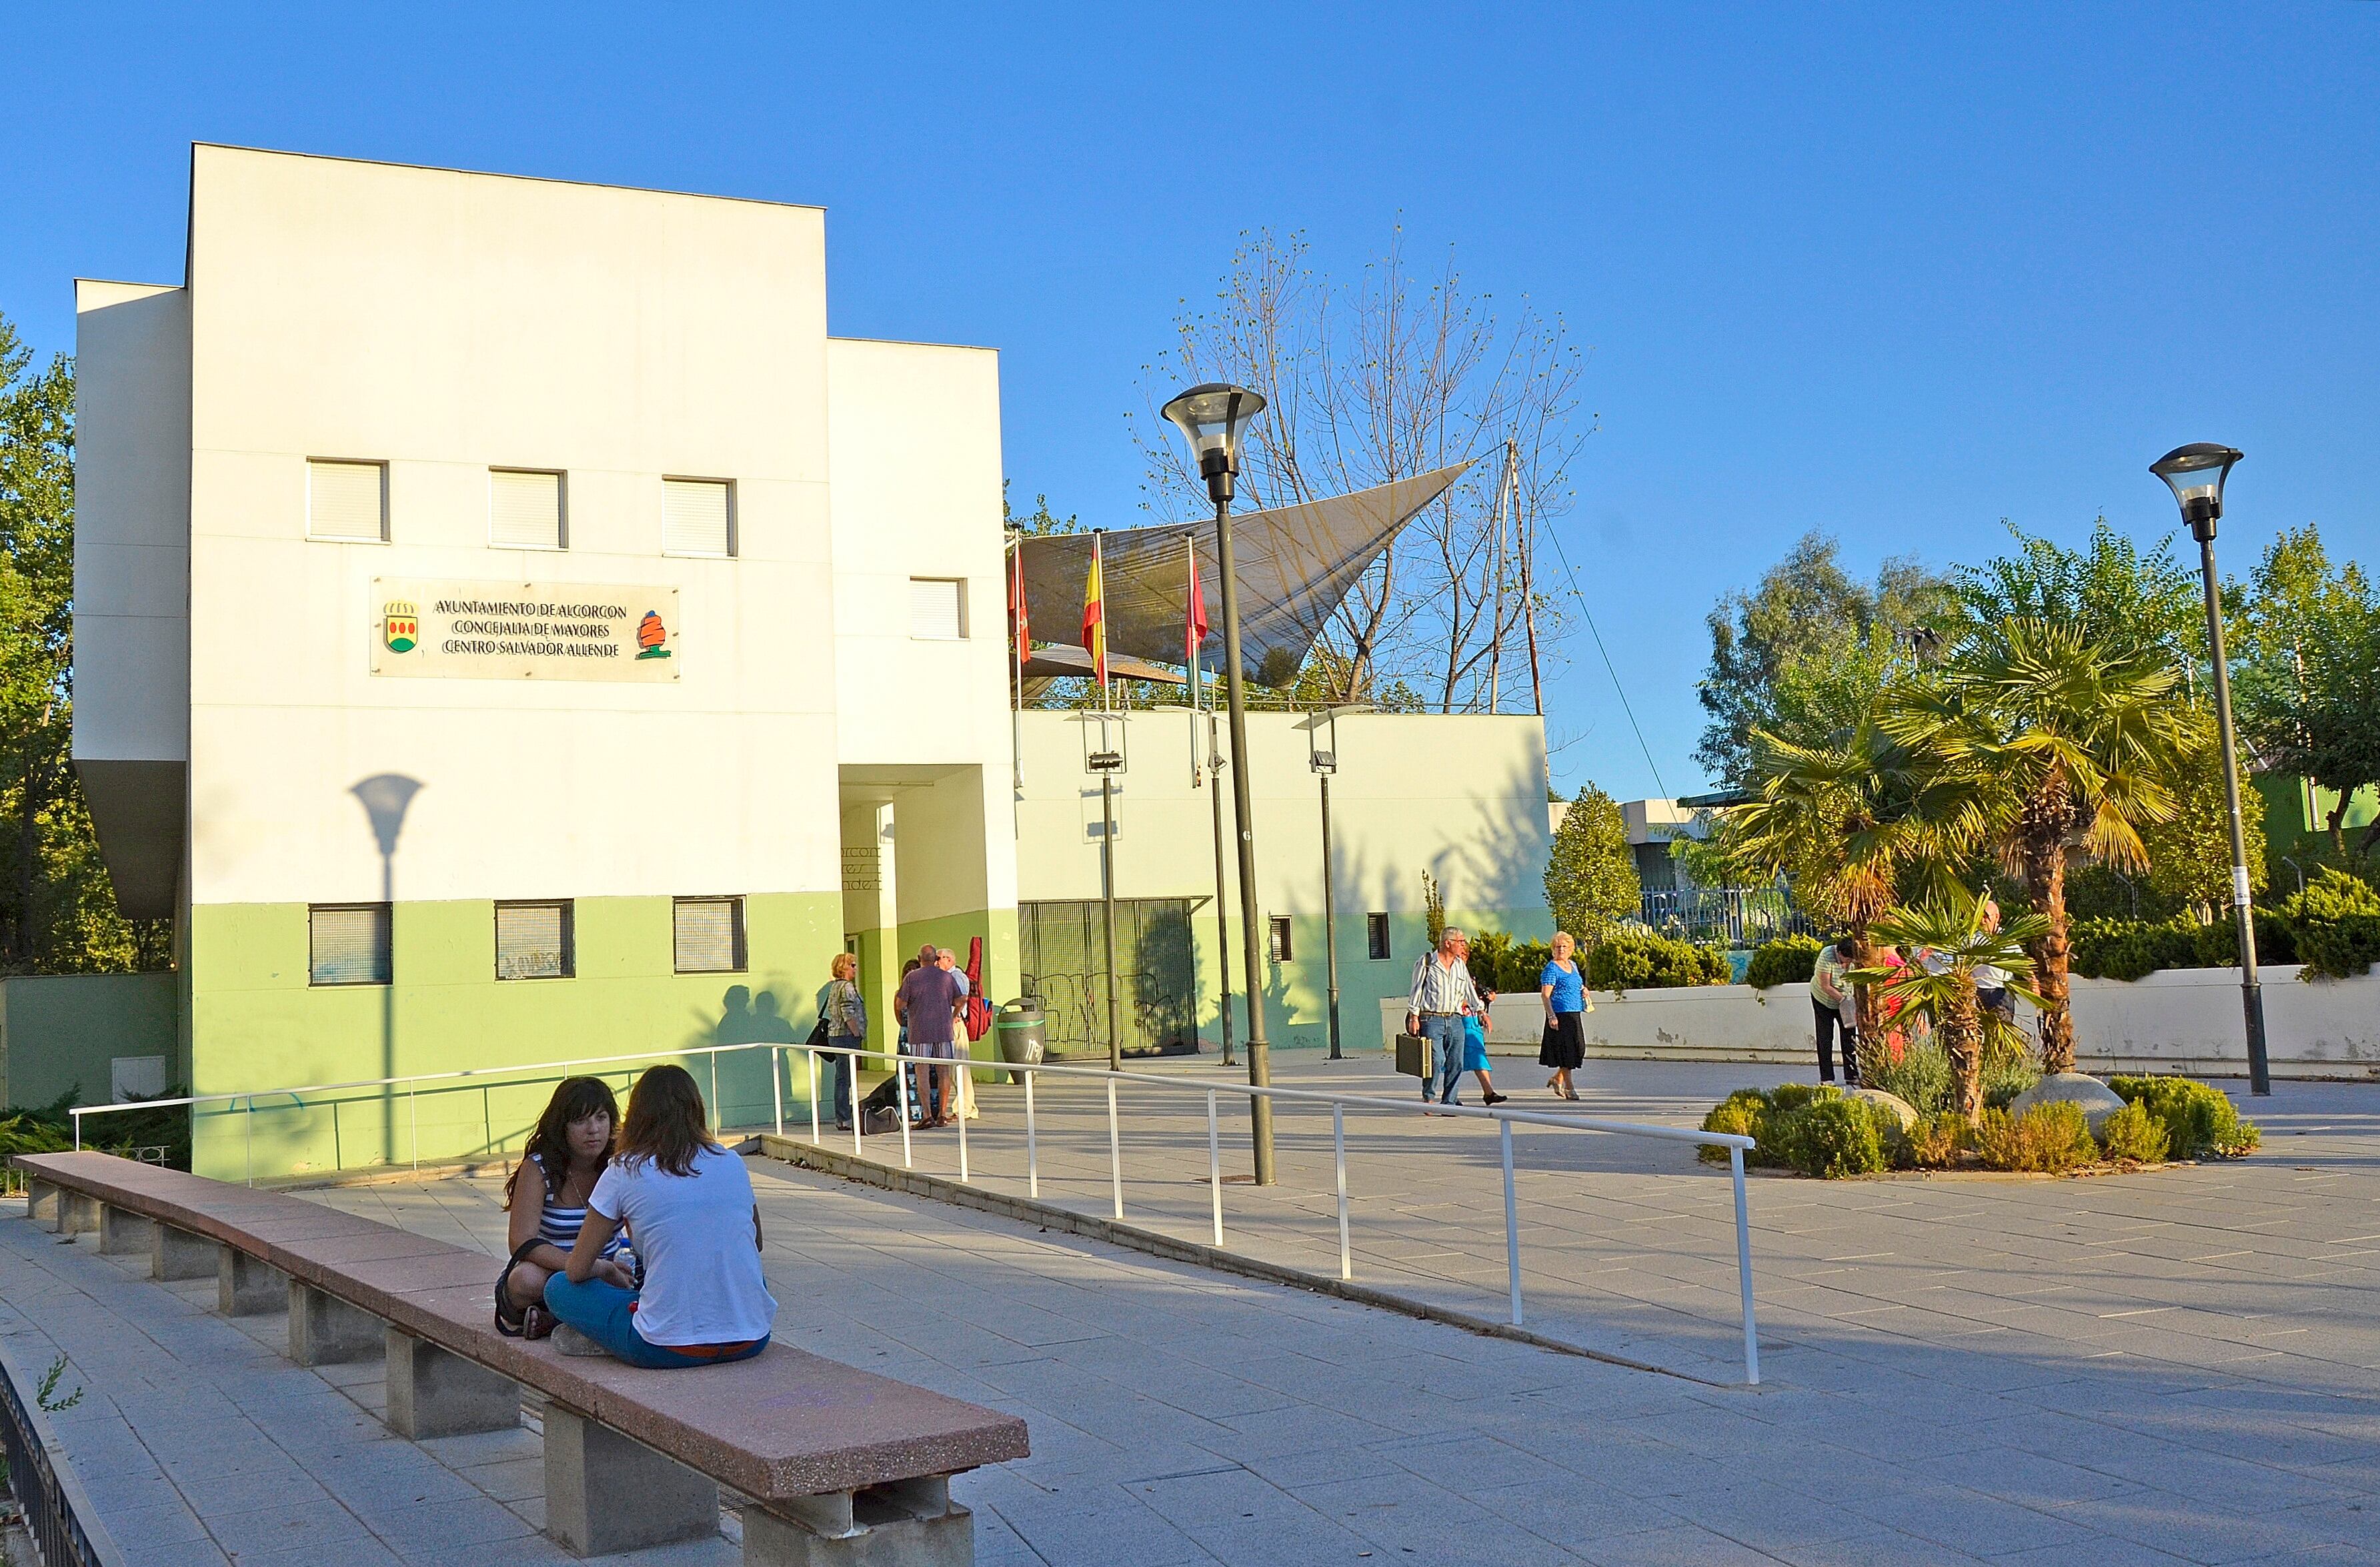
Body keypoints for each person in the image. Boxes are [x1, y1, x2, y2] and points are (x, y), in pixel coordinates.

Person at [544, 1065, 775, 1368]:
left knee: (558, 1288)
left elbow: (576, 1270)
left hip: (663, 1347)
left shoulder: (624, 1169)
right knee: (745, 1269)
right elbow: (755, 1242)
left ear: (636, 1115)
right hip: (751, 1338)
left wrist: (609, 1271)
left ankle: (602, 1336)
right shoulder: (731, 1161)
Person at [496, 1077, 632, 1339]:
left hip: (609, 1272)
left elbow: (640, 1231)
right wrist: (585, 1267)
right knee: (525, 1280)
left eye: (601, 1118)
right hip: (552, 1273)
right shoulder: (539, 1168)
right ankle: (571, 1317)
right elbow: (521, 1241)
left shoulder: (621, 1165)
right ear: (563, 1127)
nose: (593, 1130)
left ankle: (557, 1320)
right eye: (580, 1121)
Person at [1406, 926, 1483, 1112]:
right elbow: (1416, 990)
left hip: (1455, 1019)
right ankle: (1429, 1096)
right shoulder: (1427, 963)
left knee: (1456, 1062)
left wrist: (1480, 1011)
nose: (1463, 945)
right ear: (1448, 943)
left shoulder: (1459, 965)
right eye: (1461, 942)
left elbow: (1468, 991)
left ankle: (1449, 1102)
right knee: (1436, 1059)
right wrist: (1414, 1016)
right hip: (1432, 1019)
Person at [896, 943, 965, 1126]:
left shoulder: (912, 978)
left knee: (922, 1072)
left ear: (920, 959)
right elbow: (961, 1000)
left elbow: (900, 1004)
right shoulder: (946, 977)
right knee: (944, 1072)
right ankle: (942, 1114)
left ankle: (927, 1115)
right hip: (943, 1031)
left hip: (920, 1031)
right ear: (935, 960)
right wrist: (952, 1016)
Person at [816, 953, 868, 1132]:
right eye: (852, 965)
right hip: (846, 1036)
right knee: (845, 1078)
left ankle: (842, 1117)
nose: (855, 968)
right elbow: (848, 1013)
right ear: (844, 968)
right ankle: (844, 1117)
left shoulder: (834, 987)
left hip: (836, 1035)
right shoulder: (846, 987)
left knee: (842, 1077)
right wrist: (857, 1034)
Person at [1538, 932, 1588, 1101]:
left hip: (1574, 1012)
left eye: (1564, 946)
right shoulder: (1551, 969)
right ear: (1553, 949)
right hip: (1560, 1014)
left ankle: (1557, 1078)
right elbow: (1545, 995)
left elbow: (1578, 984)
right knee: (1567, 1052)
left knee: (1579, 1049)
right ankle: (1570, 1088)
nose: (1561, 950)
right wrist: (1551, 1016)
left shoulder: (1573, 965)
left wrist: (1584, 990)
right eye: (1558, 947)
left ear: (1571, 949)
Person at [1809, 939, 1858, 1086]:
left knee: (1849, 1037)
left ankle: (1851, 1075)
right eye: (1846, 960)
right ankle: (1827, 1078)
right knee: (1825, 1037)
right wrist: (1844, 1000)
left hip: (1846, 998)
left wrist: (1850, 1001)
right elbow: (1826, 985)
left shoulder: (1857, 956)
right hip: (1823, 1000)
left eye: (1851, 960)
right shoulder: (1827, 955)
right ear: (1839, 953)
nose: (1848, 964)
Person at [1462, 978, 1508, 1106]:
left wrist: (1485, 998)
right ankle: (1449, 1096)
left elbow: (1476, 997)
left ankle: (1489, 1093)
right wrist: (1476, 1001)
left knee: (1479, 1057)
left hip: (1473, 1023)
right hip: (1458, 1022)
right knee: (1452, 1061)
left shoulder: (1467, 975)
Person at [1974, 897, 2016, 1024]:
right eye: (1980, 916)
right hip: (1978, 993)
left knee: (2001, 1030)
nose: (1982, 920)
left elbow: (2021, 962)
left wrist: (2033, 981)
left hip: (2000, 993)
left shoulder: (2007, 939)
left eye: (1986, 916)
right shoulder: (1972, 938)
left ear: (1996, 917)